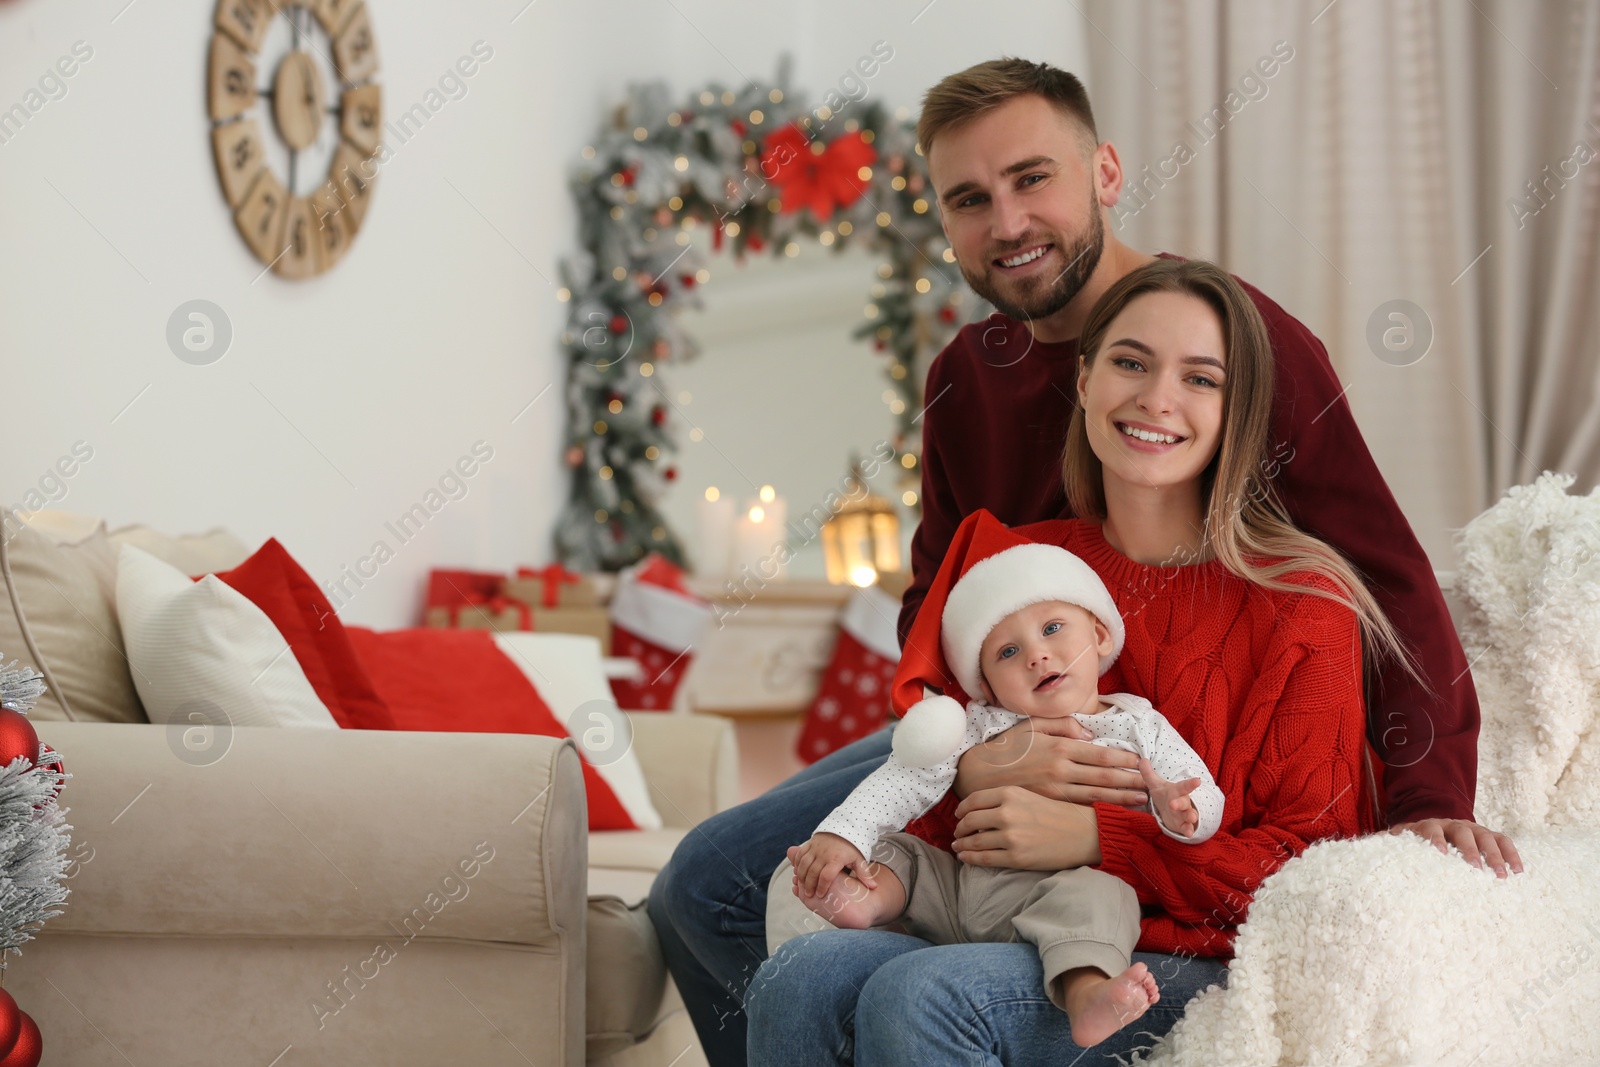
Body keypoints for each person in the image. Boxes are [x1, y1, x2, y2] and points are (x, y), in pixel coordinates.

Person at [647, 58, 1520, 1067]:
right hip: (998, 718)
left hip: (1167, 754)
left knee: (921, 991)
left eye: (1032, 178)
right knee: (703, 882)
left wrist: (1430, 798)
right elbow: (934, 596)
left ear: (1104, 170)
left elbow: (1385, 578)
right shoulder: (968, 376)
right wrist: (970, 749)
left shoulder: (1245, 347)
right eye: (968, 199)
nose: (1007, 222)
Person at [748, 255, 1391, 1063]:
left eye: (1200, 378)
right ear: (1084, 380)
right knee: (802, 974)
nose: (1157, 397)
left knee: (923, 995)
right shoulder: (1020, 571)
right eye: (1130, 362)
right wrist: (982, 767)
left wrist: (1098, 837)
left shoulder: (1304, 602)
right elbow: (932, 786)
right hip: (995, 909)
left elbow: (1313, 871)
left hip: (1179, 952)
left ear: (1242, 408)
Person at [783, 512, 1226, 1049]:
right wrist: (843, 834)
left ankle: (1086, 993)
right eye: (1007, 653)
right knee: (904, 852)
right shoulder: (980, 727)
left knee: (1102, 897)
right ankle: (866, 901)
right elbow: (903, 780)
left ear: (1102, 633)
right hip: (959, 892)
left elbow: (1192, 785)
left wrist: (1182, 812)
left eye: (1053, 628)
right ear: (985, 685)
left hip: (1051, 900)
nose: (1037, 654)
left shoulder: (1136, 723)